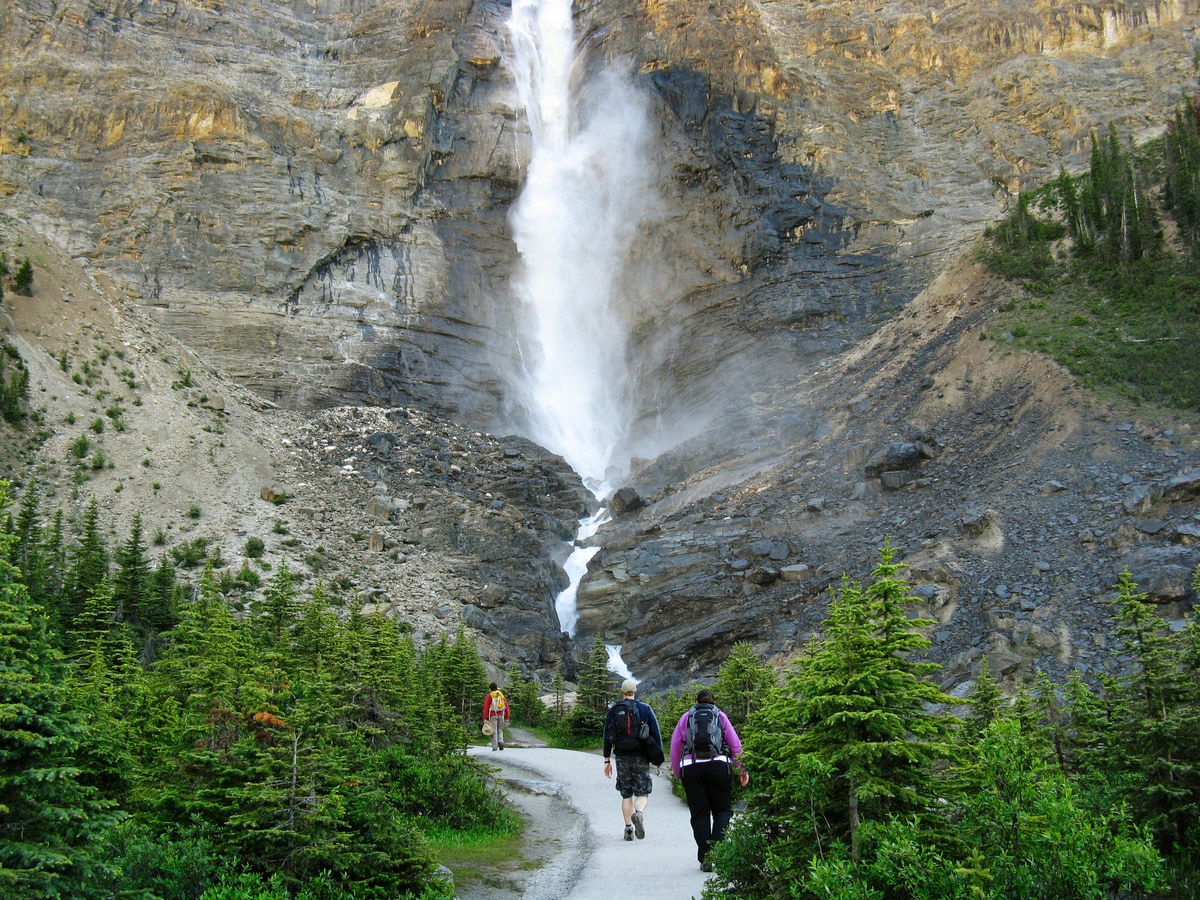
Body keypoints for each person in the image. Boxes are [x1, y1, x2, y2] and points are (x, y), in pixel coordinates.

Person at [670, 688, 749, 872]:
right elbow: (735, 744)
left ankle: (705, 857)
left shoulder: (686, 717)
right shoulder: (720, 716)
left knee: (700, 813)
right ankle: (718, 852)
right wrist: (742, 770)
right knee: (722, 811)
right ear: (713, 701)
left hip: (691, 767)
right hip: (719, 765)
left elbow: (675, 746)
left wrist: (677, 773)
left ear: (697, 702)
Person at [602, 678, 662, 841]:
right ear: (635, 692)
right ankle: (639, 813)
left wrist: (607, 760)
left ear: (622, 692)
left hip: (621, 756)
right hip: (641, 756)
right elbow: (656, 734)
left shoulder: (614, 710)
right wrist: (658, 758)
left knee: (626, 794)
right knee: (642, 793)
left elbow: (607, 736)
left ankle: (628, 828)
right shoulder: (645, 709)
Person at [483, 682, 510, 751]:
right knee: (500, 729)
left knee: (493, 730)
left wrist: (485, 718)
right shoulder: (501, 695)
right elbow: (506, 706)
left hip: (493, 715)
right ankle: (500, 742)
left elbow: (486, 707)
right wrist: (507, 716)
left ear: (490, 689)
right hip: (501, 714)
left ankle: (494, 747)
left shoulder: (489, 696)